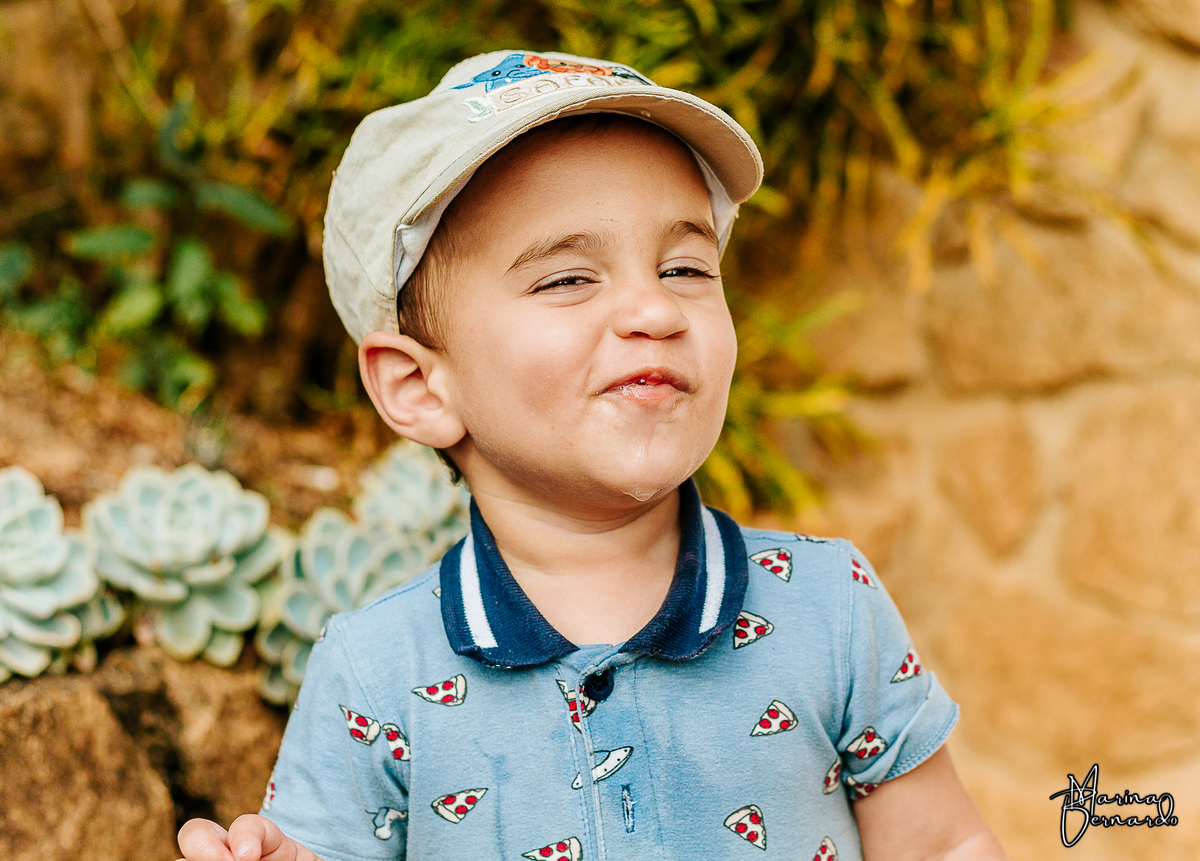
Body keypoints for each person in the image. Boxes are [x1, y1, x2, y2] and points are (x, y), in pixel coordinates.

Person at [177, 50, 1008, 861]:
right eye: (568, 278)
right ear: (420, 386)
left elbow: (944, 842)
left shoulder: (827, 607)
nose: (655, 309)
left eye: (685, 268)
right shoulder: (376, 670)